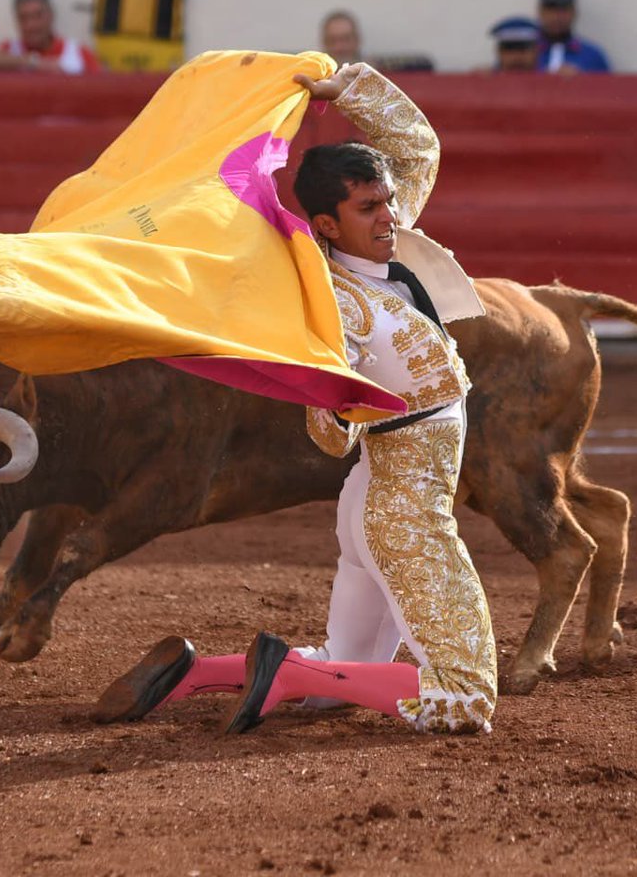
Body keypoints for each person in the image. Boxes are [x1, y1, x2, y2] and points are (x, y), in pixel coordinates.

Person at [92, 61, 499, 736]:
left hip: (377, 502)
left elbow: (419, 148)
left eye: (389, 201)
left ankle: (198, 673)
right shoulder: (327, 303)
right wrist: (339, 397)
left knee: (342, 675)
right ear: (326, 226)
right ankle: (282, 673)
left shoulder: (381, 250)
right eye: (369, 208)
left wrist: (354, 88)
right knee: (464, 698)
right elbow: (329, 435)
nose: (390, 217)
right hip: (402, 512)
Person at [0, 0, 98, 74]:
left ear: (51, 15)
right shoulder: (10, 49)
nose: (31, 25)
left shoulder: (77, 53)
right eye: (24, 18)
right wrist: (33, 62)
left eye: (38, 16)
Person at [532, 0, 611, 74]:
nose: (556, 17)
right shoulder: (524, 53)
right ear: (540, 12)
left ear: (574, 13)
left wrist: (581, 81)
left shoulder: (593, 56)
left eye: (563, 10)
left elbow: (607, 88)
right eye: (550, 10)